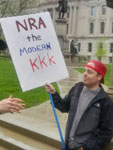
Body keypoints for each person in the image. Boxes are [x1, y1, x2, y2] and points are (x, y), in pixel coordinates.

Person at [45, 60, 113, 150]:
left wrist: (86, 147)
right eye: (84, 70)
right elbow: (64, 107)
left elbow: (106, 132)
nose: (84, 74)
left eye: (89, 72)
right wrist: (54, 94)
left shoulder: (105, 101)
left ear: (99, 76)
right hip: (68, 145)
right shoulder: (77, 89)